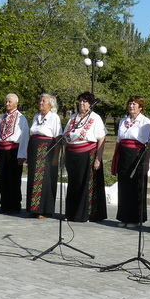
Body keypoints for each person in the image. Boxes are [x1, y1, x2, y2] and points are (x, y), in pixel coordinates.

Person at [63, 91, 108, 222]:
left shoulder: (95, 118)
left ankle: (83, 214)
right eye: (80, 101)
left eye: (85, 101)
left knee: (84, 185)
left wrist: (98, 159)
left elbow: (101, 138)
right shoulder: (73, 118)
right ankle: (71, 213)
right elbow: (66, 136)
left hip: (87, 155)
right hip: (72, 155)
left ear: (90, 104)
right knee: (73, 184)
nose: (82, 104)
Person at [113, 96, 150, 228]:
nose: (131, 106)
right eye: (130, 103)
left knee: (135, 187)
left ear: (140, 107)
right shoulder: (123, 121)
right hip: (124, 155)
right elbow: (119, 140)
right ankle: (124, 217)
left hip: (137, 155)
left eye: (134, 104)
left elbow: (148, 142)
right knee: (124, 186)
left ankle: (136, 219)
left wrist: (146, 162)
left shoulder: (144, 121)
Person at [0, 93, 29, 214]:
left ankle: (15, 205)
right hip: (2, 150)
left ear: (16, 103)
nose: (7, 104)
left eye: (9, 102)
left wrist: (22, 155)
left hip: (13, 150)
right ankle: (5, 205)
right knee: (3, 178)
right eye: (6, 101)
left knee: (14, 179)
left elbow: (24, 137)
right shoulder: (2, 118)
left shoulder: (21, 118)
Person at [26, 93, 62, 218]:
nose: (41, 103)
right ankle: (34, 209)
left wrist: (55, 157)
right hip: (34, 150)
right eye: (40, 101)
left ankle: (44, 210)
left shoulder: (54, 117)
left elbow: (58, 138)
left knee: (44, 180)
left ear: (50, 104)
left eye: (43, 101)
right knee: (33, 178)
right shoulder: (36, 117)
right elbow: (32, 135)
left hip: (46, 150)